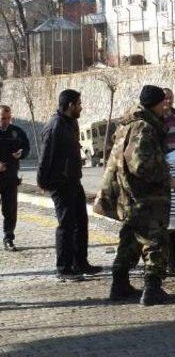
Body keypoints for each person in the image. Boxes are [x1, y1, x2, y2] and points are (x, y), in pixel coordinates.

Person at [107, 85, 175, 306]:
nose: (166, 105)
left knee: (129, 239)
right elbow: (141, 165)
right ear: (156, 104)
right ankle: (152, 289)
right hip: (147, 196)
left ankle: (119, 285)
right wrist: (166, 178)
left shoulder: (127, 125)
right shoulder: (144, 127)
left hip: (128, 194)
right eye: (163, 102)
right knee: (155, 240)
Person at [38, 90, 102, 280]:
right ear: (70, 105)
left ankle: (80, 262)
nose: (81, 107)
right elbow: (45, 156)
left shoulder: (71, 122)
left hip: (73, 180)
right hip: (59, 182)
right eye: (79, 103)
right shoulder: (55, 125)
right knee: (66, 224)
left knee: (81, 221)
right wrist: (42, 181)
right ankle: (64, 268)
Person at [0, 105, 30, 251]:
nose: (5, 121)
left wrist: (21, 153)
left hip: (10, 178)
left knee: (10, 209)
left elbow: (26, 148)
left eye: (7, 118)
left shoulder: (17, 132)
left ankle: (8, 237)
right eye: (2, 118)